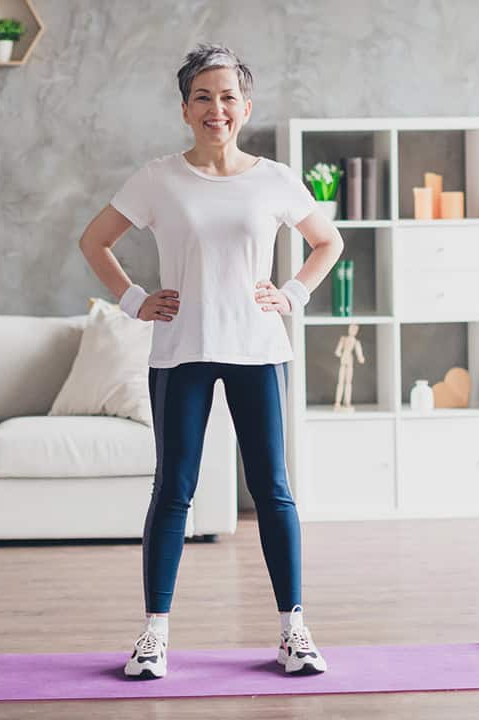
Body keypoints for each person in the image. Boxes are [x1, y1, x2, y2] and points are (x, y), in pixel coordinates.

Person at [78, 42, 344, 679]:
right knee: (173, 490)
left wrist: (292, 294)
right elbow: (94, 241)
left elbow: (326, 241)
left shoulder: (274, 178)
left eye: (227, 97)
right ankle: (153, 636)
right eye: (203, 96)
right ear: (184, 109)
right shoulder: (157, 178)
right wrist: (135, 299)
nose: (216, 108)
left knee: (274, 491)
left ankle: (293, 631)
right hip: (181, 353)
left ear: (245, 107)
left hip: (257, 349)